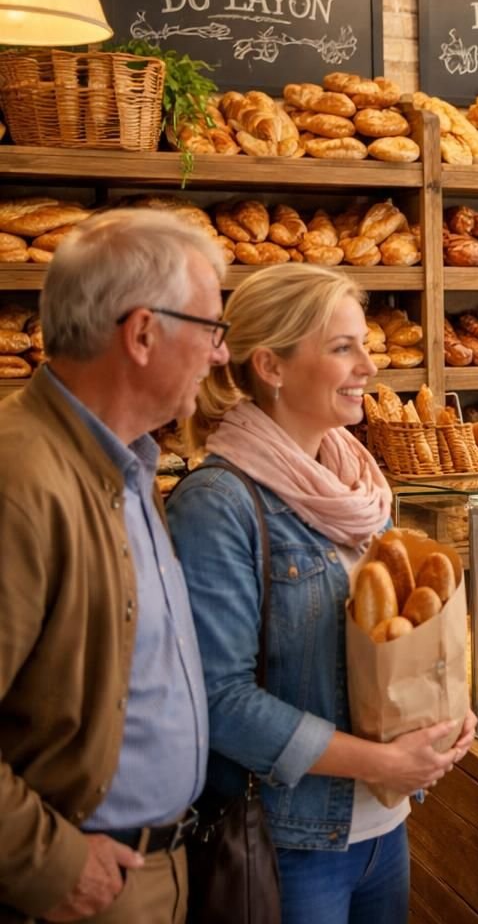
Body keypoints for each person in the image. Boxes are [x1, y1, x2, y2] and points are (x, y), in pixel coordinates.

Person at [166, 264, 475, 924]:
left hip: (383, 828)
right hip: (289, 841)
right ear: (271, 366)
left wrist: (445, 714)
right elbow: (219, 701)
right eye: (343, 348)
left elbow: (400, 638)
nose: (368, 364)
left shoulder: (359, 484)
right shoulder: (219, 504)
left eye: (364, 344)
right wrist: (383, 760)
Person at [0, 210, 228, 923]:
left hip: (151, 869)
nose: (221, 356)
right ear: (142, 333)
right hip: (72, 888)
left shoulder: (124, 465)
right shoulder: (21, 478)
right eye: (212, 330)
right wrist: (52, 863)